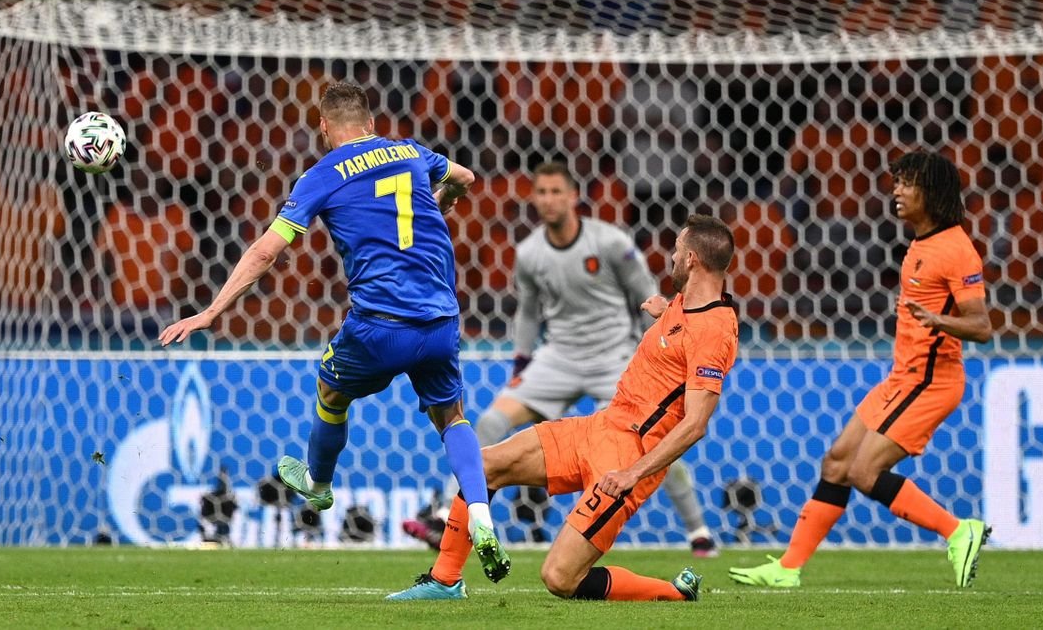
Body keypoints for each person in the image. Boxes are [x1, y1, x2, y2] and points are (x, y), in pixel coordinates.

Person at [159, 81, 510, 582]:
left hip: (378, 327)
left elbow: (267, 251)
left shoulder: (321, 175)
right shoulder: (410, 151)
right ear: (371, 123)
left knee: (330, 391)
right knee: (452, 418)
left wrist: (212, 311)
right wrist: (444, 197)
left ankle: (319, 483)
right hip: (440, 322)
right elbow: (466, 176)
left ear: (324, 127)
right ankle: (480, 514)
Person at [387, 215, 740, 602]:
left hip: (627, 458)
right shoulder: (685, 306)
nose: (670, 257)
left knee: (560, 578)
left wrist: (632, 473)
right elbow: (681, 335)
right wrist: (665, 311)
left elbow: (695, 423)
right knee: (482, 465)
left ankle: (674, 593)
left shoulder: (714, 330)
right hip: (600, 427)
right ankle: (444, 581)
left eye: (677, 250)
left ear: (691, 259)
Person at [729, 150, 994, 589]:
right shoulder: (922, 244)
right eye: (897, 182)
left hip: (931, 382)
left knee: (863, 471)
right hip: (902, 378)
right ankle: (788, 569)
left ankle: (958, 531)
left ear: (931, 192)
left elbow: (981, 327)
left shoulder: (956, 250)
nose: (897, 190)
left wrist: (936, 320)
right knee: (836, 462)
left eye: (907, 183)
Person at [428, 160, 718, 556]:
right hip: (558, 359)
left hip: (612, 357)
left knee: (644, 438)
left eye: (556, 192)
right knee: (493, 420)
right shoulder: (530, 253)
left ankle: (698, 531)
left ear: (572, 197)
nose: (548, 200)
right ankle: (446, 512)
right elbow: (528, 312)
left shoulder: (610, 242)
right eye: (541, 192)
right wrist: (521, 365)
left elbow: (645, 293)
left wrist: (654, 348)